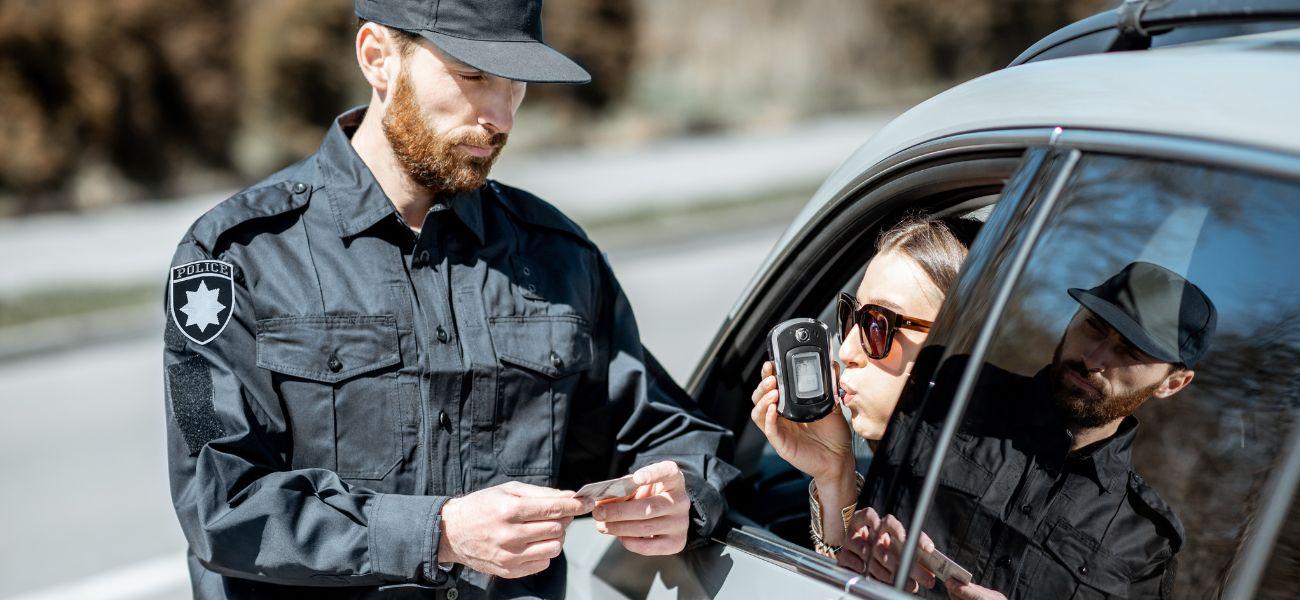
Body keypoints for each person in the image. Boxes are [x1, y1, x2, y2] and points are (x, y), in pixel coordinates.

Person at [161, 1, 739, 597]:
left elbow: (663, 432)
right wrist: (436, 533)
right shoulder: (235, 257)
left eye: (516, 84)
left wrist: (680, 496)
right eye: (473, 76)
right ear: (378, 58)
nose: (500, 117)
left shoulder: (558, 258)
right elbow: (219, 504)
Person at [858, 262, 1216, 599]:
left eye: (1130, 351)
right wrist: (847, 524)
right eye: (1093, 326)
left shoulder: (1146, 537)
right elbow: (851, 517)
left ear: (1173, 383)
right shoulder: (953, 392)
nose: (1093, 359)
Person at [747, 216, 979, 564]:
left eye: (876, 324)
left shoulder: (999, 510)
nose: (846, 351)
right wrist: (834, 472)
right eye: (850, 318)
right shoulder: (911, 474)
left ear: (962, 343)